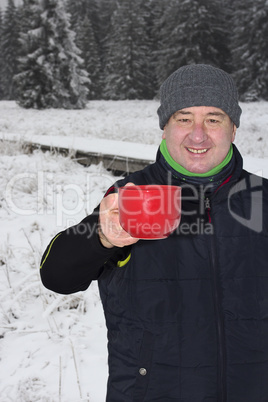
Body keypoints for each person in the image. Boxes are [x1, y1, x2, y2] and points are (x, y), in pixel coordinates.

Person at [40, 64, 268, 402]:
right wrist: (100, 236)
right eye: (184, 118)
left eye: (214, 119)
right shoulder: (131, 195)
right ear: (165, 128)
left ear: (233, 128)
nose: (198, 134)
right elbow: (57, 276)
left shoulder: (261, 198)